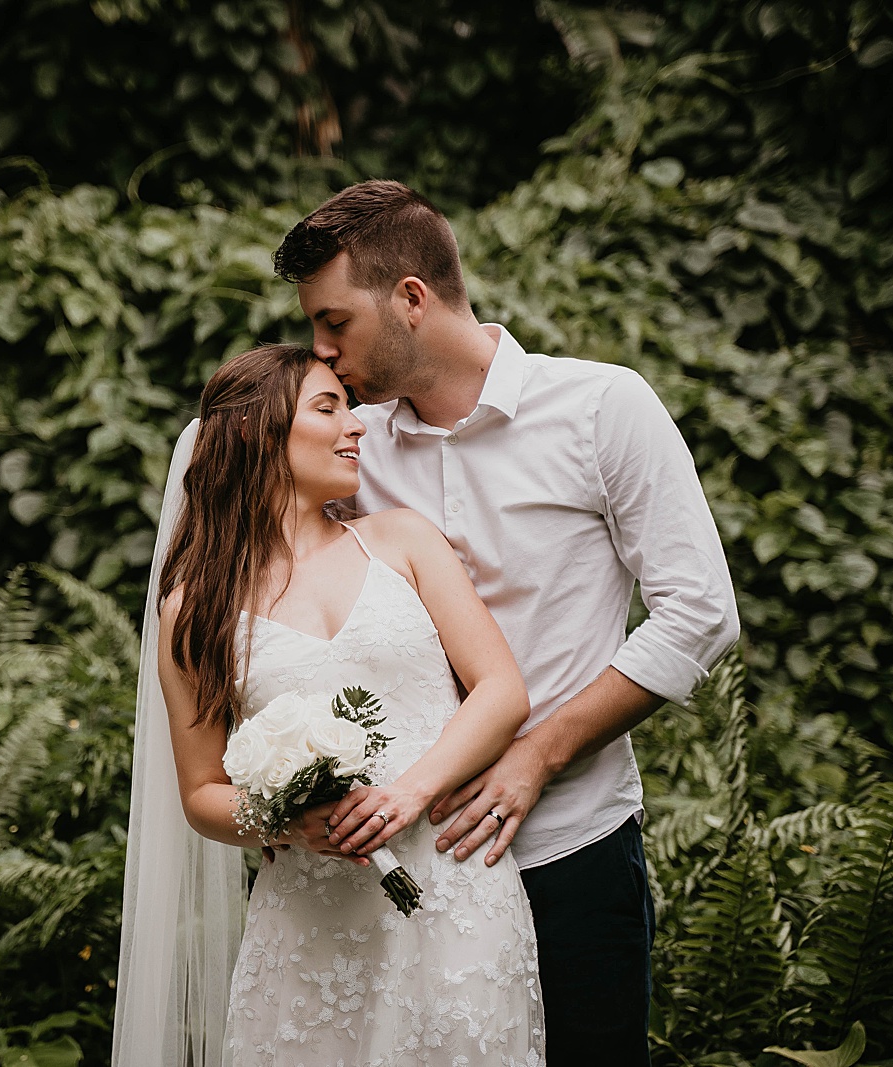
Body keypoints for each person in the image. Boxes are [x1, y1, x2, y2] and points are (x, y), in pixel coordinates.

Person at [268, 180, 741, 1066]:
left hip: (576, 848)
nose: (323, 353)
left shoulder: (604, 408)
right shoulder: (348, 448)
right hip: (407, 866)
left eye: (336, 323)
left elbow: (701, 613)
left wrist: (537, 752)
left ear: (411, 298)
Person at [113, 343, 548, 1066]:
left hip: (454, 893)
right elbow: (199, 793)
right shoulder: (195, 610)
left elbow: (502, 690)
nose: (357, 427)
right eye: (328, 407)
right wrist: (285, 815)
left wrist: (409, 793)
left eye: (349, 407)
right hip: (309, 920)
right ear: (256, 431)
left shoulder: (401, 540)